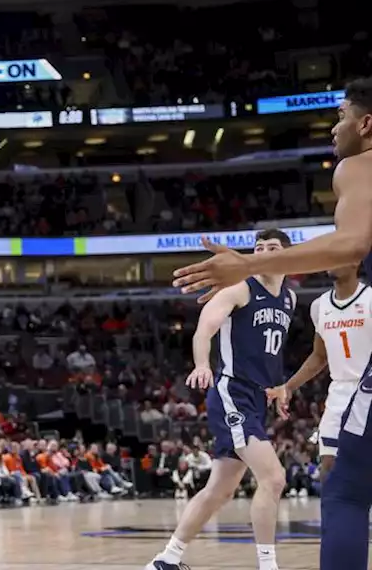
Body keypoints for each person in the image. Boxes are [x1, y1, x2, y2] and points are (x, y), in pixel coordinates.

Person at [171, 79, 372, 570]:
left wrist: (240, 264)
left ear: (366, 123)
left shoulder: (358, 166)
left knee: (338, 491)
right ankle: (176, 555)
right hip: (242, 393)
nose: (333, 125)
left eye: (341, 113)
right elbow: (207, 320)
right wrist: (206, 363)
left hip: (283, 396)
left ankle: (230, 559)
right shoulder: (306, 301)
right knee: (256, 481)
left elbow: (350, 244)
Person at [148, 229, 295, 570]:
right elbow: (204, 330)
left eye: (272, 247)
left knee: (219, 491)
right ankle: (268, 566)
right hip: (233, 392)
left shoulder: (288, 298)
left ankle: (166, 560)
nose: (263, 252)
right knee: (274, 478)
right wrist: (202, 364)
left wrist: (279, 388)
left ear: (287, 255)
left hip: (257, 399)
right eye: (258, 248)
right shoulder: (240, 288)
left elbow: (269, 352)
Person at [267, 264, 370, 481]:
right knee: (329, 465)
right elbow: (319, 356)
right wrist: (289, 387)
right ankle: (332, 515)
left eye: (338, 258)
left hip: (368, 388)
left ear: (355, 262)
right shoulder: (319, 306)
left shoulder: (370, 299)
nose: (331, 263)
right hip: (340, 390)